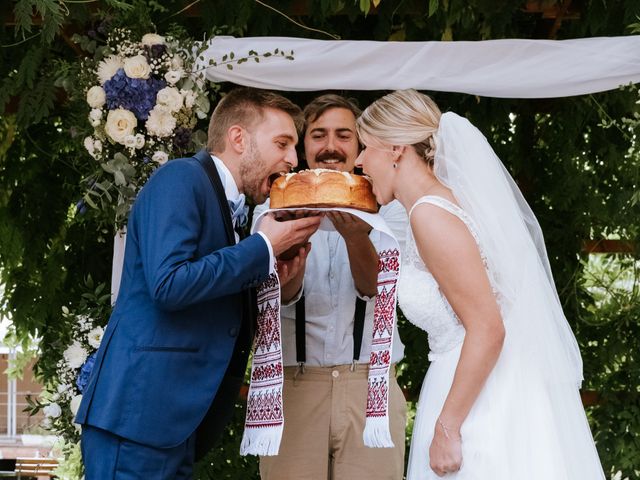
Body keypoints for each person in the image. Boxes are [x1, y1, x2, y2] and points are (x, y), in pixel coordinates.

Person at [355, 89, 605, 479]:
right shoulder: (438, 206)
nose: (358, 161)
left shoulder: (430, 215)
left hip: (479, 401)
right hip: (470, 380)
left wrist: (447, 426)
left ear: (396, 149)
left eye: (365, 147)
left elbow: (488, 327)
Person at [75, 87, 323, 479]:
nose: (293, 159)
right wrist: (261, 248)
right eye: (282, 143)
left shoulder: (236, 209)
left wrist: (272, 273)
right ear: (238, 138)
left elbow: (214, 309)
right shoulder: (181, 178)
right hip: (139, 421)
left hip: (174, 426)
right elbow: (169, 285)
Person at [254, 94, 408, 480]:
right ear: (304, 147)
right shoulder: (274, 208)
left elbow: (381, 292)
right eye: (318, 135)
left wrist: (357, 238)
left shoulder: (389, 208)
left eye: (343, 135)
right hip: (295, 382)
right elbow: (277, 298)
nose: (330, 146)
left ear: (359, 147)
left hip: (370, 381)